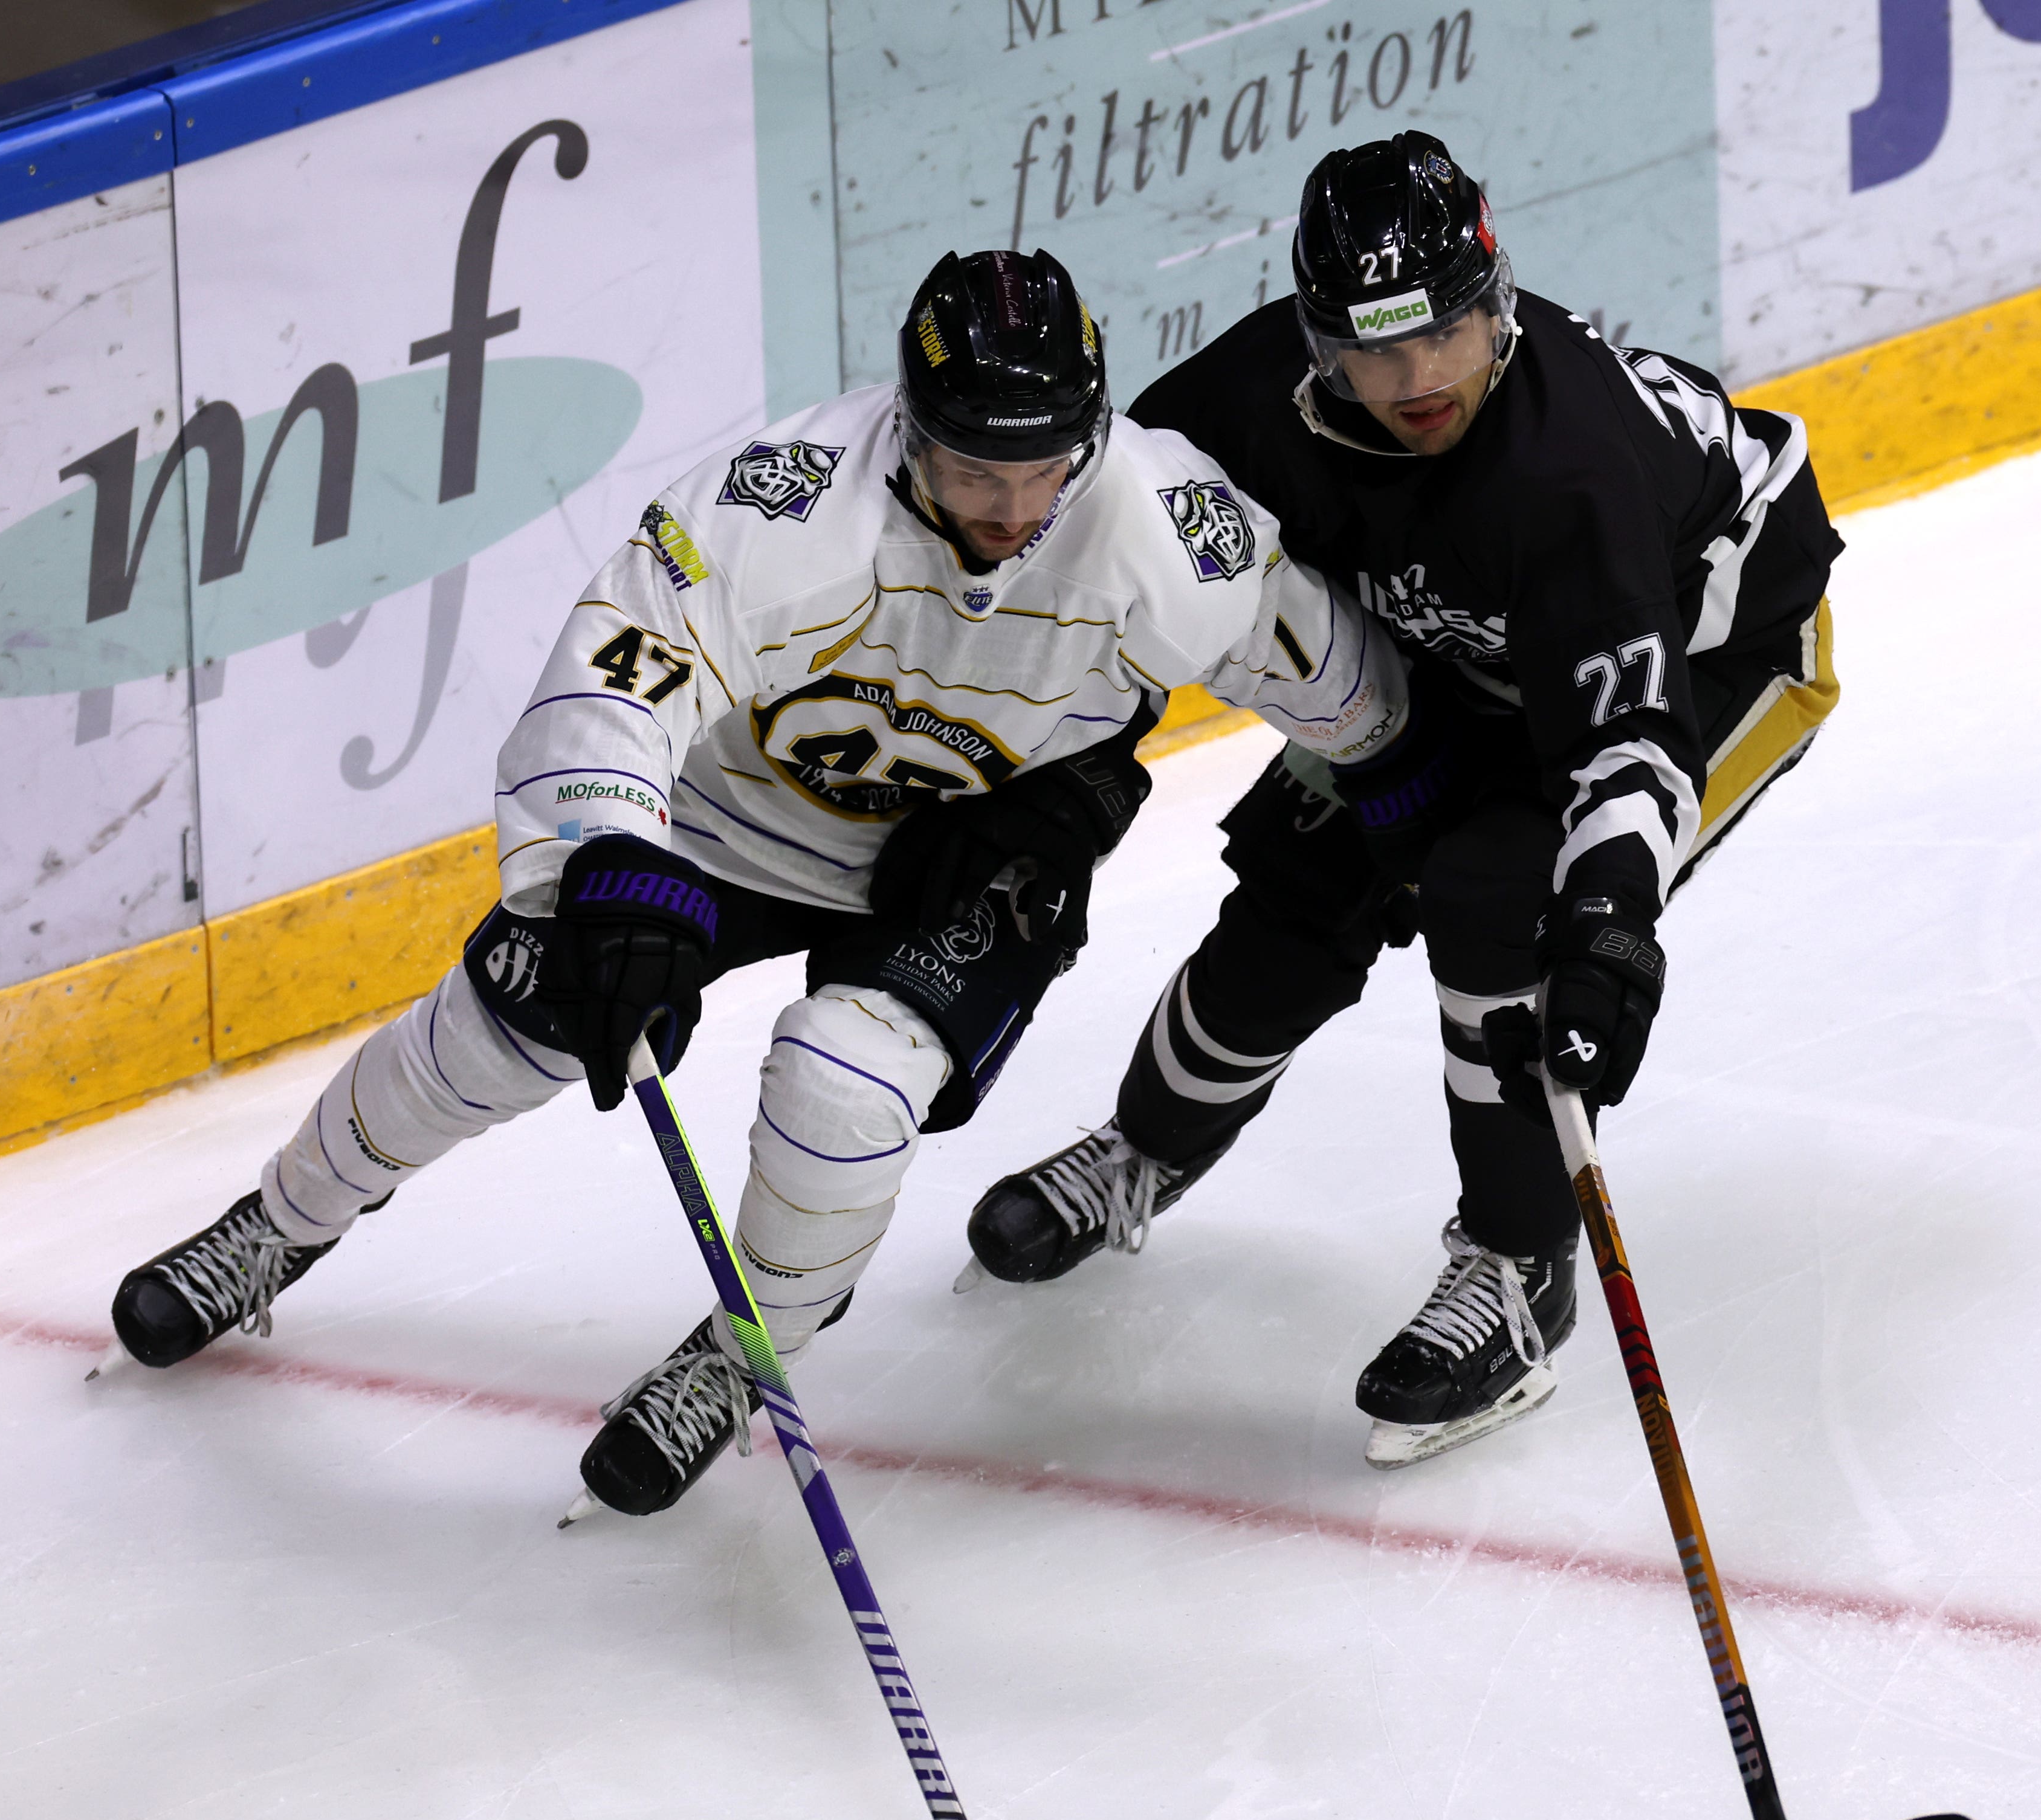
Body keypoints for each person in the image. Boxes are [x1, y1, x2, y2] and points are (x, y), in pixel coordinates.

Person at [104, 248, 1412, 1517]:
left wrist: (1418, 818)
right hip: (731, 826)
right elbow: (620, 664)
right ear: (908, 427)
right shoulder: (786, 502)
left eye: (1041, 470)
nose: (1009, 512)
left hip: (973, 855)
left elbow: (1354, 693)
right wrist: (612, 861)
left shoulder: (1171, 527)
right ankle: (281, 1223)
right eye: (971, 468)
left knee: (844, 1097)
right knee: (506, 1030)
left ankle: (742, 1358)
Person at [963, 134, 1846, 1471]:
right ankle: (1146, 1151)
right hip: (1467, 656)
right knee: (1301, 889)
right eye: (1375, 352)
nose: (1417, 380)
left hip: (1706, 647)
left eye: (1446, 334)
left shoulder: (1570, 472)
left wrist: (1609, 920)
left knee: (1504, 898)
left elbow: (1627, 747)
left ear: (1500, 304)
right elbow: (1102, 554)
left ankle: (1519, 1272)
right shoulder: (1248, 403)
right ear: (1314, 339)